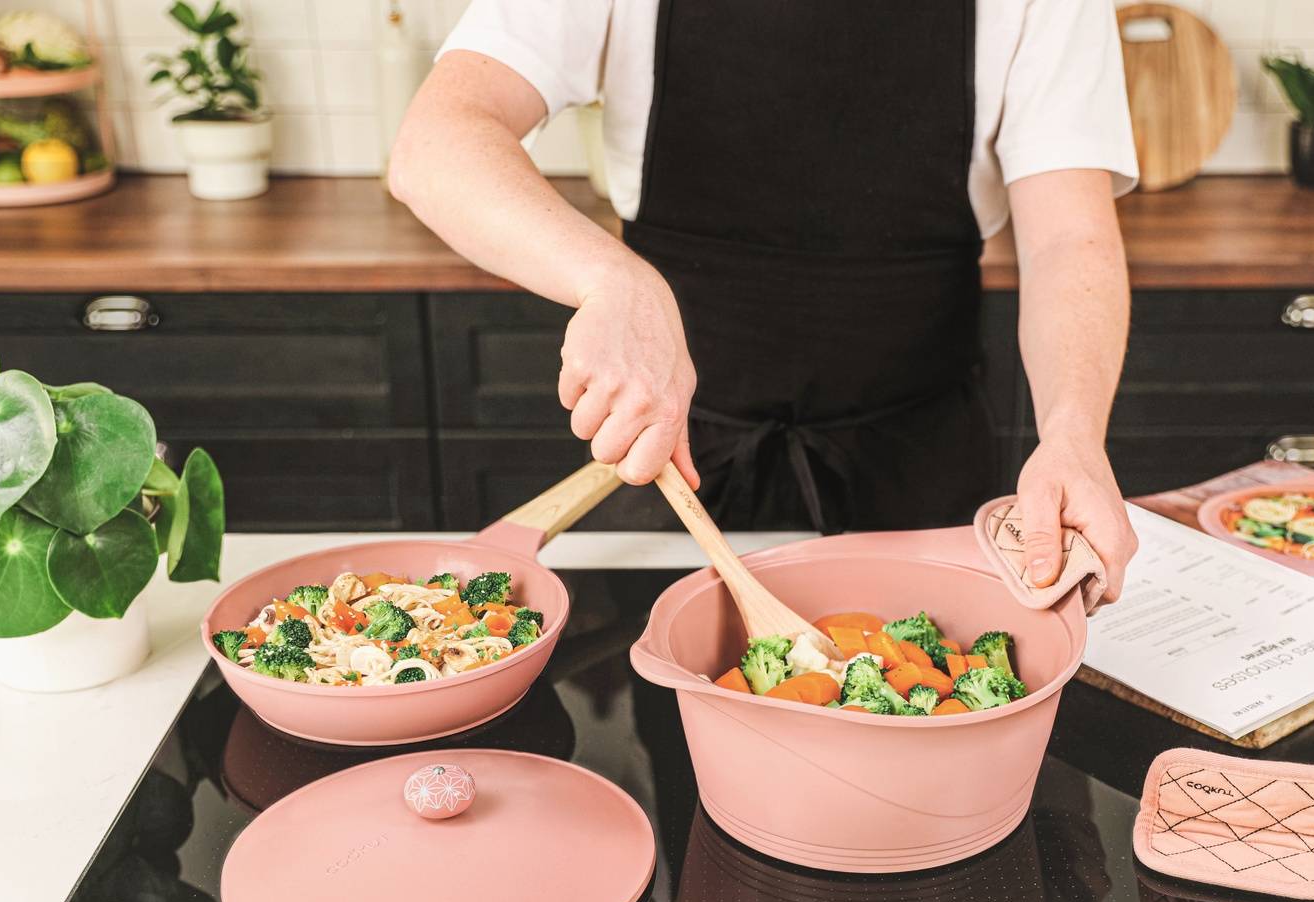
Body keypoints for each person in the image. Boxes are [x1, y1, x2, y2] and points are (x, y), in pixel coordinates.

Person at [391, 0, 1140, 603]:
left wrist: (1074, 432)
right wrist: (613, 279)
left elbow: (1069, 237)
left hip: (924, 475)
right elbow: (437, 141)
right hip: (675, 469)